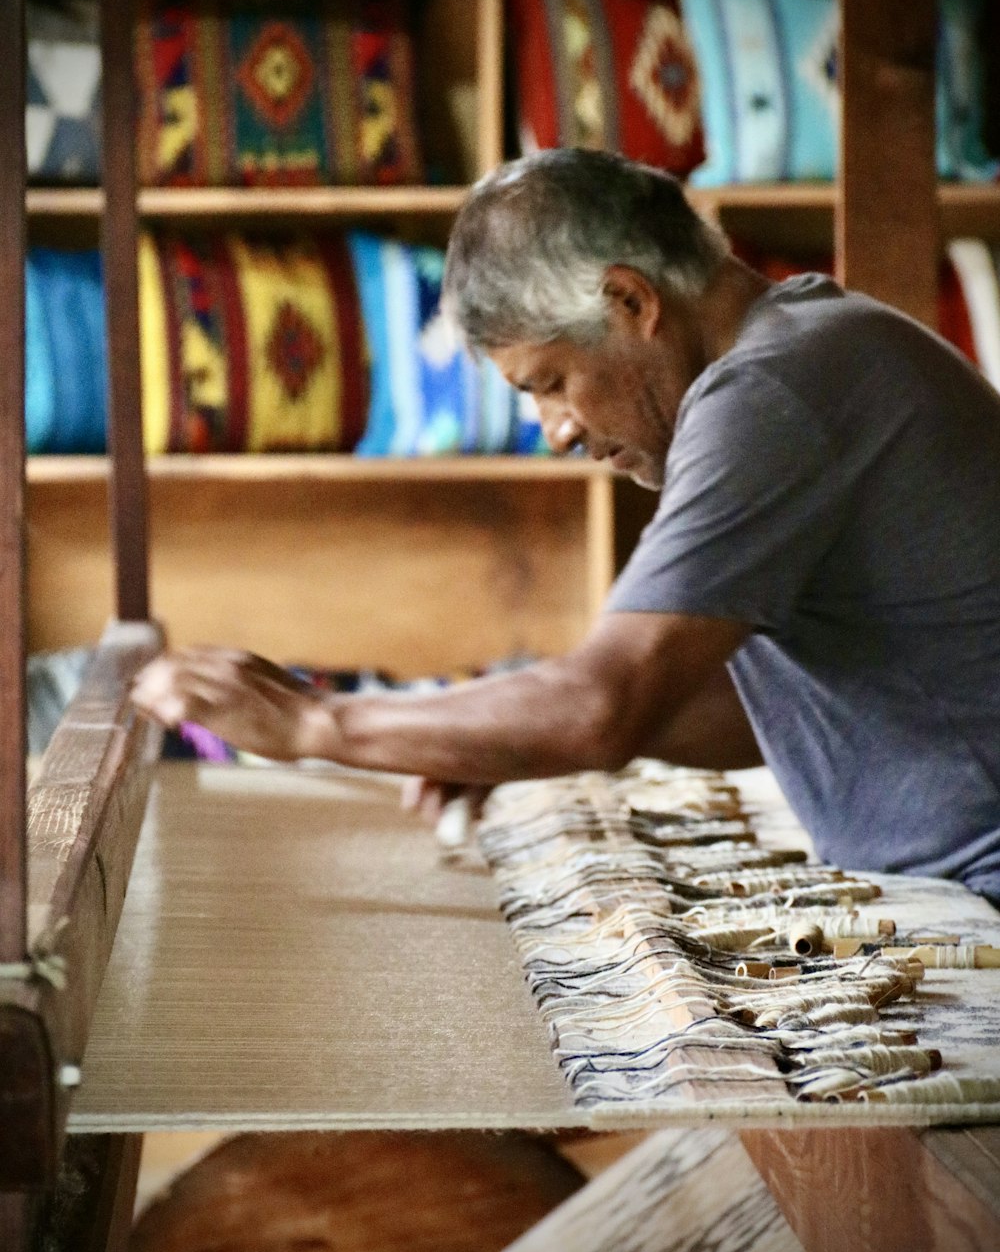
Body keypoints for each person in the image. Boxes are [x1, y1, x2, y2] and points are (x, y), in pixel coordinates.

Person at [131, 148, 1000, 904]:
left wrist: (319, 726)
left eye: (549, 382)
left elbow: (604, 702)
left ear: (629, 300)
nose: (557, 432)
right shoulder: (812, 349)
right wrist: (492, 737)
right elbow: (772, 710)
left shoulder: (770, 394)